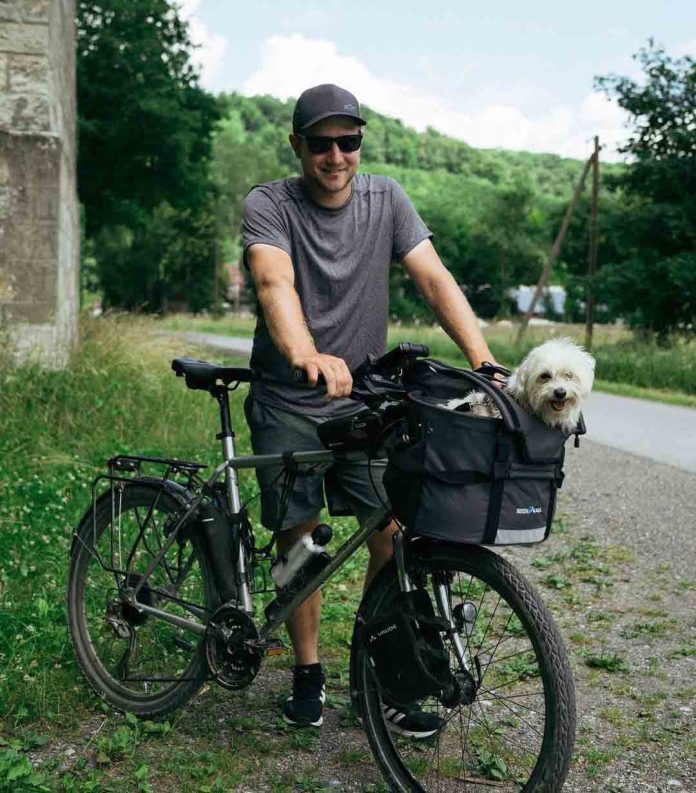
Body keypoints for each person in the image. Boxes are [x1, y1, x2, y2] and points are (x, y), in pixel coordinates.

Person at [241, 84, 496, 734]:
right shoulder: (269, 203)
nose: (335, 155)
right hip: (288, 397)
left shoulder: (387, 200)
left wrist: (483, 360)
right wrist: (306, 353)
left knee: (390, 528)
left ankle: (378, 673)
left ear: (361, 144)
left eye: (347, 141)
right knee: (301, 537)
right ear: (297, 145)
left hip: (360, 401)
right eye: (320, 143)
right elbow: (275, 282)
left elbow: (434, 278)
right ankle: (307, 672)